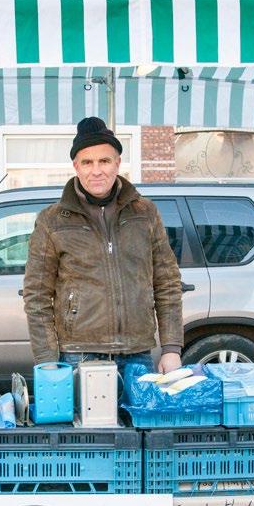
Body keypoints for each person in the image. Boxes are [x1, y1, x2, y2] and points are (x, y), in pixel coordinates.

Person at [23, 116, 183, 375]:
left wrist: (171, 348)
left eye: (104, 161)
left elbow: (167, 282)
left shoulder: (145, 212)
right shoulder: (52, 220)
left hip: (138, 353)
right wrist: (46, 357)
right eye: (87, 162)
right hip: (79, 354)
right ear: (76, 166)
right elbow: (37, 295)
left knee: (134, 417)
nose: (96, 170)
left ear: (117, 163)